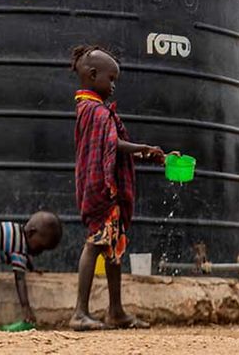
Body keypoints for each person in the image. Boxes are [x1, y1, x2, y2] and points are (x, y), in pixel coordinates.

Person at [69, 45, 169, 331]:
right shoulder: (94, 111)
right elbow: (110, 145)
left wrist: (147, 153)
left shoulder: (93, 110)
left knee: (113, 247)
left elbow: (112, 145)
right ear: (91, 75)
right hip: (101, 189)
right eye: (110, 79)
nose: (113, 86)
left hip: (104, 188)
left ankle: (115, 311)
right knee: (96, 243)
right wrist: (144, 147)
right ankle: (79, 312)